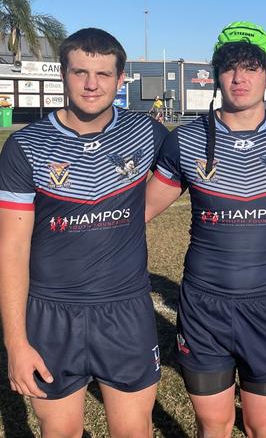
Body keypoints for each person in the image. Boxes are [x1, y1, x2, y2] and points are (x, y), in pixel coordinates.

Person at [145, 21, 266, 438]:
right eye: (230, 68)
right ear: (217, 75)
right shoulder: (185, 140)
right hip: (204, 306)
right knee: (213, 425)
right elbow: (141, 209)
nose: (240, 78)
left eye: (252, 67)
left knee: (264, 426)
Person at [0, 28, 168, 437]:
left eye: (103, 74)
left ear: (120, 78)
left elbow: (209, 154)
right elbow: (12, 247)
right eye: (80, 72)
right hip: (51, 314)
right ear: (63, 74)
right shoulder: (26, 146)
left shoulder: (147, 134)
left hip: (125, 312)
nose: (91, 85)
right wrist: (16, 344)